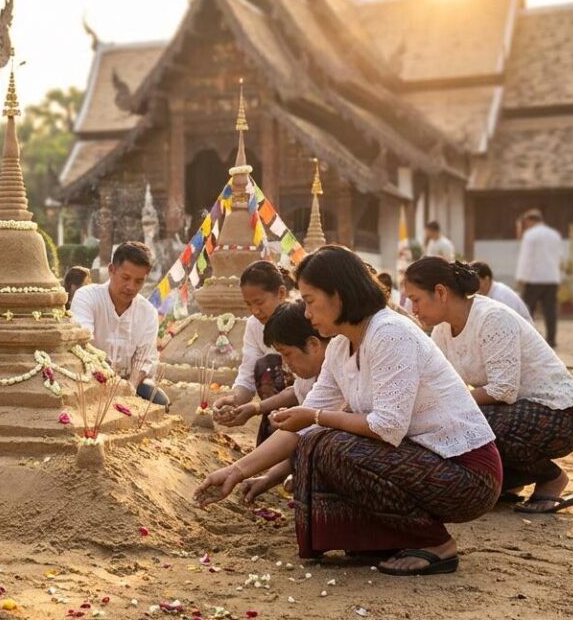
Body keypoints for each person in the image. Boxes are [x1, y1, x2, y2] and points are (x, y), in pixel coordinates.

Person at [194, 246, 499, 576]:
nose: (307, 314)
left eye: (310, 301)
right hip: (424, 462)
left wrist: (315, 418)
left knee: (331, 444)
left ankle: (437, 544)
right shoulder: (340, 345)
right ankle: (378, 540)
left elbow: (387, 426)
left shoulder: (389, 332)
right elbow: (303, 422)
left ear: (337, 296)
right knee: (315, 443)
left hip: (467, 474)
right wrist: (236, 472)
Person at [403, 257, 573, 514]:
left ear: (440, 292)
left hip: (562, 415)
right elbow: (442, 385)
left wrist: (446, 404)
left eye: (415, 299)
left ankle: (552, 477)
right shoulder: (442, 332)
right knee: (449, 422)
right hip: (515, 413)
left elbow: (504, 390)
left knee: (476, 421)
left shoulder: (492, 318)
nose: (413, 309)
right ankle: (510, 482)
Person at [229, 300, 330, 502]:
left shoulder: (339, 361)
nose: (285, 364)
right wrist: (256, 408)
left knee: (321, 443)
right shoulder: (317, 371)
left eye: (287, 354)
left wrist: (237, 471)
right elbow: (299, 402)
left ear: (313, 344)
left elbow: (304, 434)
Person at [70, 242, 165, 404]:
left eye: (138, 281)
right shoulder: (87, 297)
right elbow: (83, 341)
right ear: (112, 270)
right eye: (126, 278)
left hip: (127, 382)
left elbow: (144, 359)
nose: (131, 287)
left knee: (159, 400)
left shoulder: (148, 312)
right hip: (89, 378)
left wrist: (129, 389)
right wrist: (103, 378)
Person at [212, 260, 293, 443]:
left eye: (259, 302)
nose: (255, 311)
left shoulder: (301, 319)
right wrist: (235, 401)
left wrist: (257, 408)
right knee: (264, 366)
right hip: (274, 405)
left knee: (270, 365)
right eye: (249, 305)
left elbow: (305, 386)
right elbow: (248, 372)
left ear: (281, 293)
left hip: (307, 399)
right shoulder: (254, 325)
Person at [515, 210, 563, 347]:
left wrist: (521, 277)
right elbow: (559, 256)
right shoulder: (554, 235)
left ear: (530, 221)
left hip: (534, 277)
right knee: (550, 310)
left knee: (527, 309)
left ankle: (528, 338)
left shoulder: (530, 235)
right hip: (552, 277)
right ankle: (552, 339)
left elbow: (526, 258)